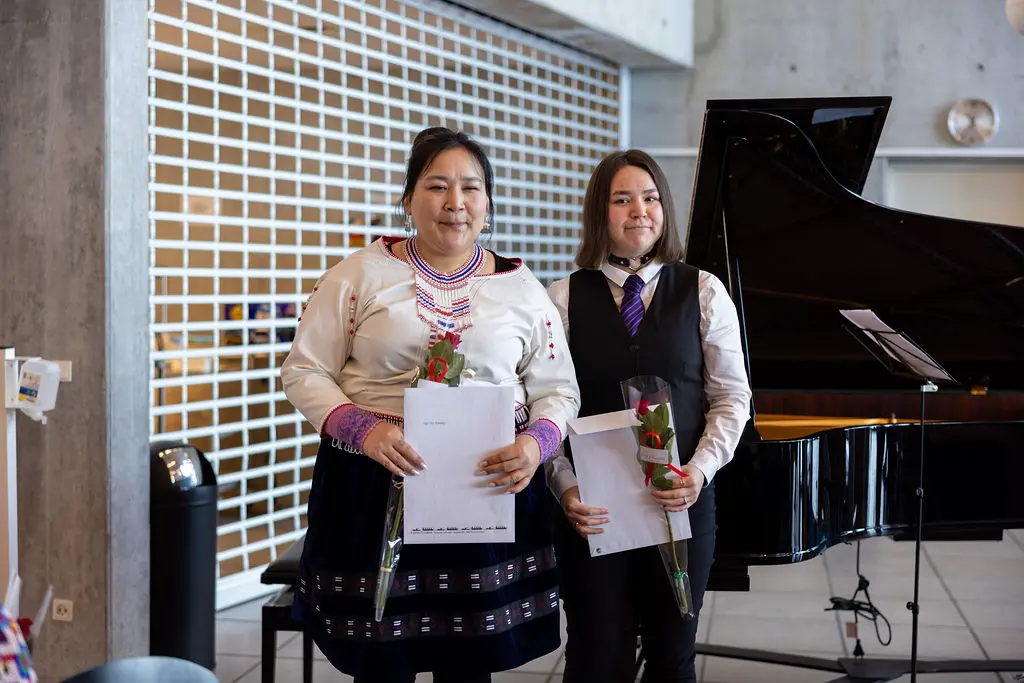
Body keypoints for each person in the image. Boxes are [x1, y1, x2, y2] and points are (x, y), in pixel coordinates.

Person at [281, 127, 580, 683]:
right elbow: (304, 370)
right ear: (408, 199)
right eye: (437, 186)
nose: (455, 202)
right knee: (381, 662)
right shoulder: (358, 275)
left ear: (487, 204)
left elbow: (558, 390)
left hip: (485, 487)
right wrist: (363, 429)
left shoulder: (522, 289)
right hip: (372, 483)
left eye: (471, 188)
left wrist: (535, 446)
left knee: (469, 662)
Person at [544, 149, 752, 683]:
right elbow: (544, 408)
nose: (639, 210)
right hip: (591, 510)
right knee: (594, 658)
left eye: (651, 197)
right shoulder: (561, 299)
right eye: (622, 199)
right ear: (601, 212)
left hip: (680, 504)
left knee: (672, 657)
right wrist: (565, 487)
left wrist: (698, 472)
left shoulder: (704, 291)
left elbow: (731, 399)